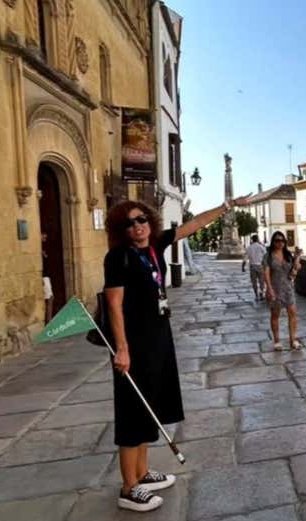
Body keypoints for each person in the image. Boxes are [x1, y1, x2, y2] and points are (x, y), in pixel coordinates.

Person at [104, 198, 238, 512]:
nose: (137, 226)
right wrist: (122, 348)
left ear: (150, 221)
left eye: (141, 220)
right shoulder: (118, 257)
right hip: (133, 344)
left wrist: (226, 207)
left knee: (149, 407)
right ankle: (128, 487)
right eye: (129, 223)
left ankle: (141, 473)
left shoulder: (154, 245)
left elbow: (194, 225)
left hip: (158, 338)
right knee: (132, 413)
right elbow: (113, 305)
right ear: (121, 230)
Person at [264, 231, 302, 350]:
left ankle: (293, 340)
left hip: (288, 288)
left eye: (282, 240)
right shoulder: (268, 256)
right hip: (275, 288)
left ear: (285, 242)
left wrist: (297, 264)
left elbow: (293, 272)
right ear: (273, 242)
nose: (280, 243)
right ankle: (277, 341)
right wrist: (269, 289)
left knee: (292, 313)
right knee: (275, 315)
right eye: (277, 240)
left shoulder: (288, 255)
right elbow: (266, 274)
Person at [246, 235, 266, 301]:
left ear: (252, 240)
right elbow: (265, 256)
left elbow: (245, 258)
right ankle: (261, 293)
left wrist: (243, 266)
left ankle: (256, 295)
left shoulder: (249, 248)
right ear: (257, 239)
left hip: (252, 266)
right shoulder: (261, 247)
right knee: (261, 281)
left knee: (254, 281)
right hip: (260, 265)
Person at [41, 232, 53, 324]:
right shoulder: (38, 248)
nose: (45, 236)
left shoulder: (45, 247)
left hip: (46, 276)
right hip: (44, 277)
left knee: (50, 298)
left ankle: (48, 321)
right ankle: (48, 322)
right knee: (49, 298)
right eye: (43, 235)